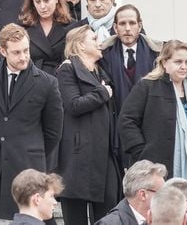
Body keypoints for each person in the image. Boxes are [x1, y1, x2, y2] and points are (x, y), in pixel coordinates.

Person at [0, 23, 63, 224]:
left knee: (41, 219)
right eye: (16, 52)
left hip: (28, 164)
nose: (23, 57)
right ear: (3, 51)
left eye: (26, 50)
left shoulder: (47, 83)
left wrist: (32, 150)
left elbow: (53, 131)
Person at [118, 40, 187, 216]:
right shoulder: (147, 86)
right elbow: (127, 121)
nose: (184, 67)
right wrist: (142, 153)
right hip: (158, 168)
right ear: (164, 63)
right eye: (178, 62)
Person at [56, 25, 121, 224]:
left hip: (104, 155)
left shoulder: (100, 72)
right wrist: (102, 93)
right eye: (93, 39)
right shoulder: (67, 69)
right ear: (80, 46)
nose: (99, 43)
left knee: (108, 213)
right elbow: (73, 105)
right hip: (78, 157)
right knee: (75, 216)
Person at [101, 4, 161, 115]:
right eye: (122, 23)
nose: (127, 28)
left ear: (139, 26)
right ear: (115, 28)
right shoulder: (103, 56)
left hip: (149, 118)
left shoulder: (157, 55)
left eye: (132, 23)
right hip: (116, 120)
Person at [19, 0, 72, 76]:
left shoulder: (71, 26)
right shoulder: (23, 28)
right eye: (37, 2)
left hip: (62, 80)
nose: (42, 6)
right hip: (32, 80)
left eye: (46, 0)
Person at [95, 160, 167, 225]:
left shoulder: (165, 221)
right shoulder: (110, 223)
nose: (166, 198)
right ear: (143, 195)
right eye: (162, 193)